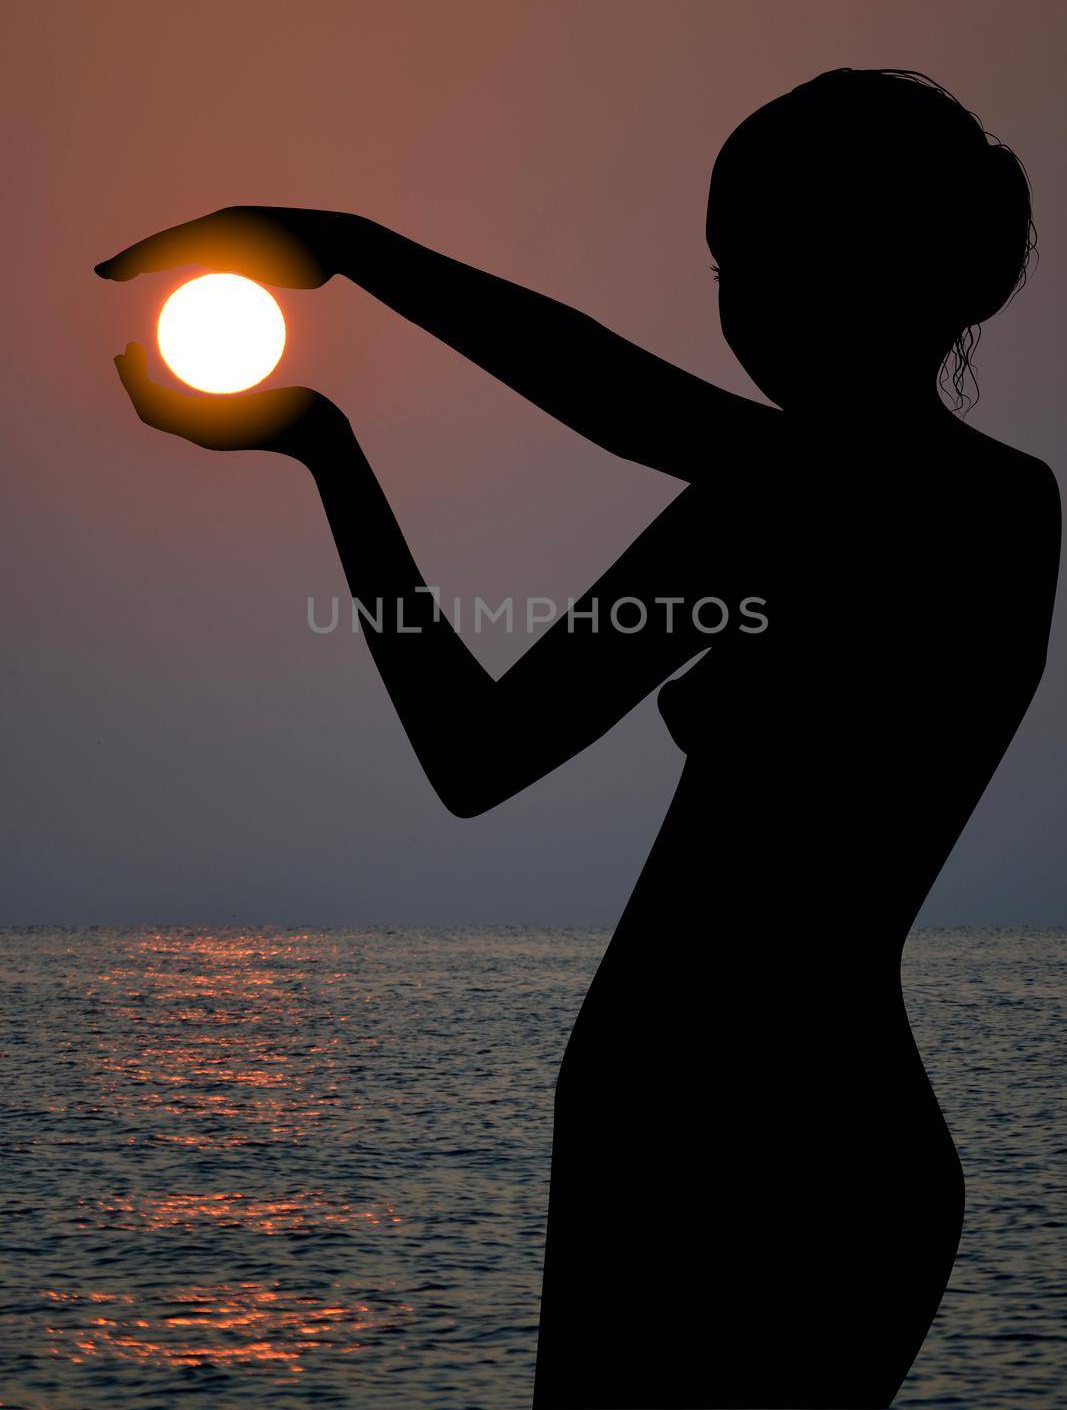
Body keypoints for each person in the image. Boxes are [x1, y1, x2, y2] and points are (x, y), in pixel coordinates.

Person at [97, 68, 1060, 1408]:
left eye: (769, 255)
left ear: (881, 264)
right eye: (724, 263)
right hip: (662, 1129)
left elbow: (622, 403)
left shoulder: (975, 508)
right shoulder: (763, 507)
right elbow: (478, 751)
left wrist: (353, 249)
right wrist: (330, 453)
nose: (738, 300)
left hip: (780, 1146)